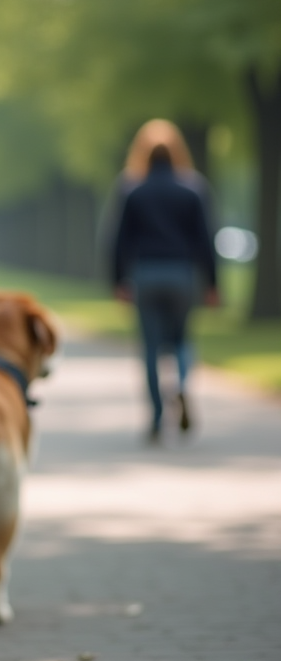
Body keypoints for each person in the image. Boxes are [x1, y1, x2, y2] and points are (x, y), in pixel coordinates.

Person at [111, 120, 219, 444]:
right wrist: (212, 283)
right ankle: (183, 386)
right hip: (182, 274)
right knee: (182, 339)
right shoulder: (193, 189)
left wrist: (119, 279)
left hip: (145, 273)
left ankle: (157, 417)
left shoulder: (132, 189)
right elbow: (205, 239)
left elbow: (118, 240)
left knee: (150, 347)